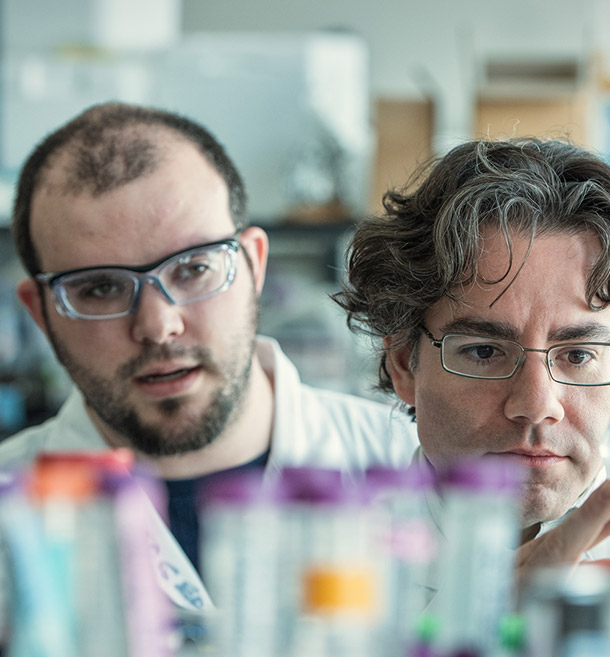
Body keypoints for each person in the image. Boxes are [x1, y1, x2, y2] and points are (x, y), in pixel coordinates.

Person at [0, 101, 418, 608]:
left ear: (254, 265)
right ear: (41, 312)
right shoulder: (9, 510)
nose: (158, 326)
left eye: (194, 268)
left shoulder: (413, 472)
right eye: (100, 288)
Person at [334, 136, 610, 585]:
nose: (537, 404)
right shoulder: (318, 555)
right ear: (405, 364)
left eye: (579, 355)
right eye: (484, 352)